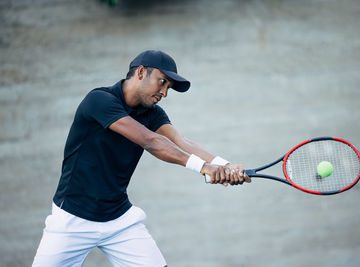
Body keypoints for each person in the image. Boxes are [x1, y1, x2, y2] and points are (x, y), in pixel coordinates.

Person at [32, 50, 251, 267]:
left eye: (168, 88)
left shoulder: (153, 114)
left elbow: (182, 141)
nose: (164, 93)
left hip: (119, 219)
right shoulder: (99, 100)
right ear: (141, 72)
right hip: (72, 218)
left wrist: (225, 165)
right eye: (162, 82)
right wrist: (203, 167)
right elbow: (150, 141)